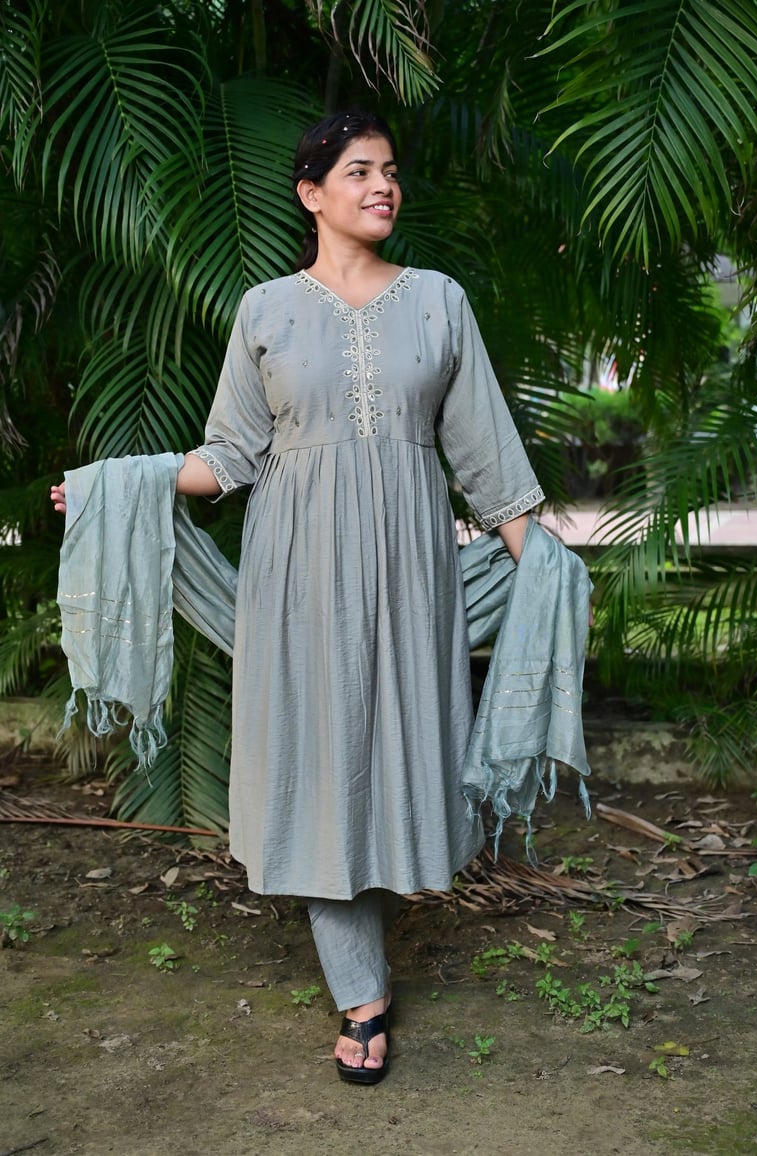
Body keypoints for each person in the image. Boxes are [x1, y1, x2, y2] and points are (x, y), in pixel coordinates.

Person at [51, 109, 545, 1084]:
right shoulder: (266, 310)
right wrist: (121, 479)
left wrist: (549, 564)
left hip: (409, 579)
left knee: (399, 750)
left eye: (392, 171)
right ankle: (362, 993)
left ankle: (380, 933)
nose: (383, 186)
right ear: (311, 192)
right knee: (319, 770)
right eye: (359, 171)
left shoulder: (440, 302)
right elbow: (227, 455)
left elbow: (489, 461)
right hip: (299, 583)